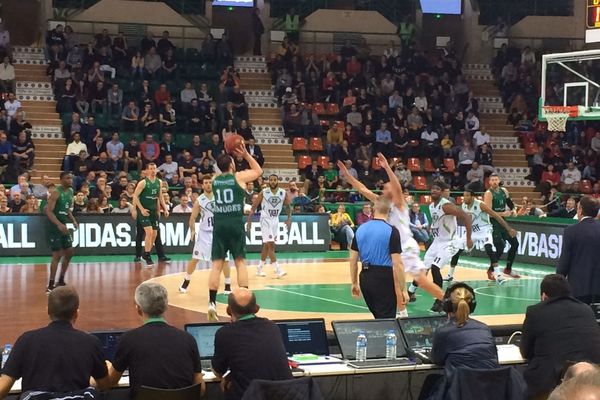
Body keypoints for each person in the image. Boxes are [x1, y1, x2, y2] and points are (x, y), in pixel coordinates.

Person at [340, 155, 445, 315]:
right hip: (393, 247)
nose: (385, 189)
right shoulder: (381, 203)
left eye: (387, 187)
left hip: (405, 247)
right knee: (394, 284)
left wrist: (387, 168)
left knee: (421, 282)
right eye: (384, 187)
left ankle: (452, 305)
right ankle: (402, 314)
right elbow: (362, 189)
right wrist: (348, 176)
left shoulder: (399, 203)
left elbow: (396, 186)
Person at [0, 286, 110, 397]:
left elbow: (3, 386)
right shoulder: (91, 342)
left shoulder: (26, 340)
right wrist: (92, 380)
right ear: (76, 313)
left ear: (48, 310)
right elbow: (105, 385)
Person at [106, 282, 205, 398]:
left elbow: (110, 382)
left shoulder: (128, 339)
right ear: (166, 306)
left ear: (138, 309)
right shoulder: (188, 339)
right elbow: (200, 389)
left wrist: (108, 367)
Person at [520, 274, 600, 399]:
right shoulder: (587, 309)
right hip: (591, 378)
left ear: (544, 295)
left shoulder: (535, 311)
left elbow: (525, 351)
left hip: (551, 382)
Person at [207, 145, 263, 322]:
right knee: (240, 262)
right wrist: (246, 155)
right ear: (231, 164)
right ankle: (245, 302)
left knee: (216, 265)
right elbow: (258, 171)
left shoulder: (214, 179)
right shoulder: (238, 177)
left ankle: (211, 303)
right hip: (235, 222)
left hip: (220, 223)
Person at [420, 283, 499, 400]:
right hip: (489, 392)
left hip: (458, 392)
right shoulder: (484, 328)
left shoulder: (444, 331)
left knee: (431, 382)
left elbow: (437, 360)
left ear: (447, 306)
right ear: (472, 306)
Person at [212, 288, 292, 400]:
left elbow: (218, 371)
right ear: (256, 308)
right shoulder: (272, 327)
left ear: (229, 310)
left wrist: (230, 376)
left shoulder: (224, 333)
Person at [408, 181, 473, 312]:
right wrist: (433, 226)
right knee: (422, 269)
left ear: (443, 192)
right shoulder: (432, 206)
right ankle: (411, 292)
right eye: (432, 188)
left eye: (437, 189)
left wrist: (468, 238)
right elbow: (436, 219)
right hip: (437, 241)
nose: (434, 191)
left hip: (449, 242)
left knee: (435, 268)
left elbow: (466, 217)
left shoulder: (446, 206)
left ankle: (440, 300)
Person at [349, 195, 407, 318]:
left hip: (365, 277)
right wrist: (404, 289)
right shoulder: (392, 231)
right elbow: (398, 264)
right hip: (383, 277)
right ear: (390, 210)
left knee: (378, 316)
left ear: (374, 209)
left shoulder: (360, 229)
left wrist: (354, 283)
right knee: (386, 318)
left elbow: (353, 260)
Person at [445, 189, 517, 284]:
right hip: (472, 230)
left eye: (467, 196)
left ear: (472, 197)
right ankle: (450, 275)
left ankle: (498, 275)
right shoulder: (463, 206)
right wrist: (468, 237)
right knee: (457, 251)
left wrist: (508, 229)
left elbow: (495, 215)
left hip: (484, 229)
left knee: (489, 249)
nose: (464, 198)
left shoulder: (480, 205)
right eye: (464, 195)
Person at [179, 175, 231, 294]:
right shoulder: (199, 200)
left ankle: (228, 285)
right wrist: (192, 230)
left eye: (210, 182)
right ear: (202, 185)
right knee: (196, 258)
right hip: (205, 233)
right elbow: (192, 218)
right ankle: (186, 281)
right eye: (206, 182)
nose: (208, 184)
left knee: (225, 259)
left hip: (220, 232)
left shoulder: (220, 197)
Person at [557, 196, 600, 304]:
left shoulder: (571, 231)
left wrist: (557, 282)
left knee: (579, 319)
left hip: (579, 287)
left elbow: (564, 261)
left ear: (580, 210)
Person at [247, 174, 291, 278]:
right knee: (270, 244)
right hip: (265, 219)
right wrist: (249, 220)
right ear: (269, 181)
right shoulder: (264, 192)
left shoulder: (283, 193)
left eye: (274, 180)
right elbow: (254, 207)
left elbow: (288, 206)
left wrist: (289, 218)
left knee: (268, 245)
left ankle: (259, 268)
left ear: (277, 181)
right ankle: (277, 269)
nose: (273, 182)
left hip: (275, 220)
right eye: (271, 180)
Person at [45, 172, 78, 293]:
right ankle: (50, 284)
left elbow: (67, 209)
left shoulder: (70, 192)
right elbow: (48, 211)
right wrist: (59, 224)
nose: (70, 180)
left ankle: (61, 279)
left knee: (69, 252)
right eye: (67, 178)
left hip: (63, 225)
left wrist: (73, 220)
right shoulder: (56, 192)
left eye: (71, 178)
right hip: (54, 226)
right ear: (61, 180)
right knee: (57, 255)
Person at [484, 173, 520, 280]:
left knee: (515, 243)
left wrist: (513, 210)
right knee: (500, 247)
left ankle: (508, 269)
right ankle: (491, 270)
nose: (494, 182)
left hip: (503, 222)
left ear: (499, 180)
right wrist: (503, 213)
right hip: (493, 223)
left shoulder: (504, 191)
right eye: (492, 180)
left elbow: (510, 203)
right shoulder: (488, 194)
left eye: (496, 179)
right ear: (489, 182)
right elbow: (489, 212)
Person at [132, 163, 169, 268]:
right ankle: (147, 255)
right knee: (149, 232)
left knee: (155, 234)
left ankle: (145, 253)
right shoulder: (143, 183)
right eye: (151, 169)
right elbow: (135, 196)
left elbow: (160, 196)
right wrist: (140, 209)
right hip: (144, 211)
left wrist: (165, 208)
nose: (153, 171)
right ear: (147, 171)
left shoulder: (159, 182)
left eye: (154, 169)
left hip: (153, 211)